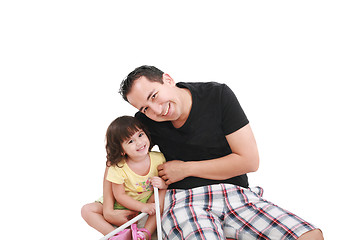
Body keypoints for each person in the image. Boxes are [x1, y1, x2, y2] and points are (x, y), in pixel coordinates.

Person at [110, 65, 323, 240]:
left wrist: (186, 168)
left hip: (236, 193)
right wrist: (108, 208)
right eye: (145, 108)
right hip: (185, 200)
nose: (155, 110)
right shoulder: (145, 122)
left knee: (311, 236)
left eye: (154, 96)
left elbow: (249, 161)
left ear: (167, 79)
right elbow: (116, 160)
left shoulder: (217, 95)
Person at [81, 116, 167, 239]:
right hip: (120, 206)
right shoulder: (119, 167)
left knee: (160, 197)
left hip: (147, 204)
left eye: (140, 135)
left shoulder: (158, 158)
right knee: (87, 210)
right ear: (121, 150)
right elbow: (119, 196)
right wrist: (142, 207)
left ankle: (145, 234)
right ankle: (117, 235)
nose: (139, 142)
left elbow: (166, 181)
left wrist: (163, 184)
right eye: (130, 141)